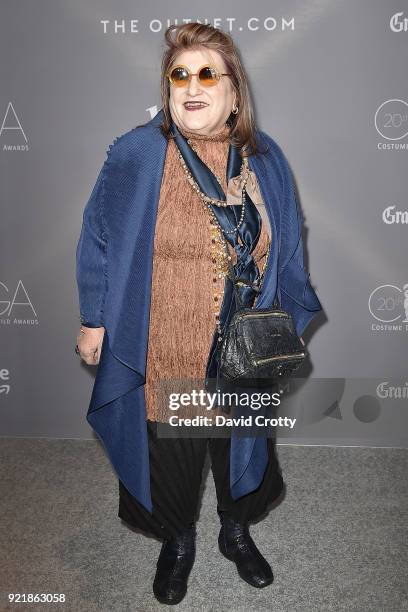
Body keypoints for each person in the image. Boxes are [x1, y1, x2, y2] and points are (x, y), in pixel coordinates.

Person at [75, 23, 322, 605]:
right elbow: (99, 237)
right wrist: (94, 316)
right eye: (179, 75)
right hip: (169, 343)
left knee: (241, 443)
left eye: (207, 73)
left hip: (245, 341)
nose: (191, 85)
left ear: (234, 94)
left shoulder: (265, 156)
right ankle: (179, 541)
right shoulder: (140, 153)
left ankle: (234, 532)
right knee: (177, 450)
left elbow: (287, 238)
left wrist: (288, 303)